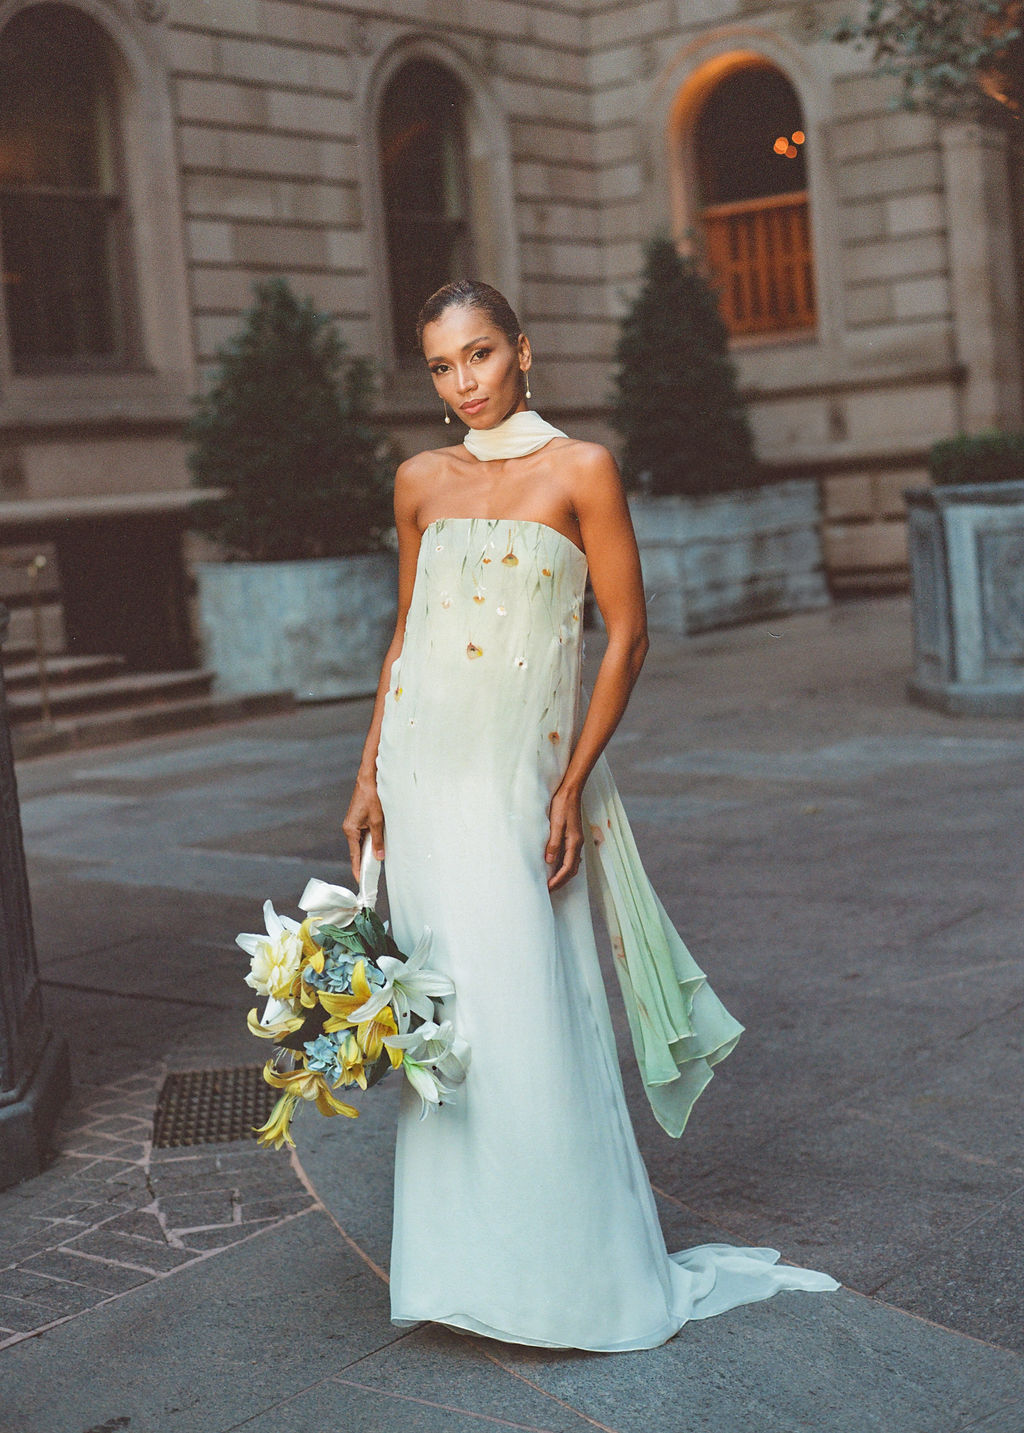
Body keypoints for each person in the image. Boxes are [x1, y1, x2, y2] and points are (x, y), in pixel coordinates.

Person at [342, 279, 839, 1351]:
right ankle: (465, 1278)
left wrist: (569, 784)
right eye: (442, 365)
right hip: (422, 783)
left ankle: (570, 1280)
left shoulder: (582, 469)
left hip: (517, 784)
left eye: (480, 354)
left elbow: (628, 634)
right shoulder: (420, 480)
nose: (464, 382)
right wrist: (369, 774)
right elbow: (405, 636)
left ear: (521, 351)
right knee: (447, 1028)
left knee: (528, 1016)